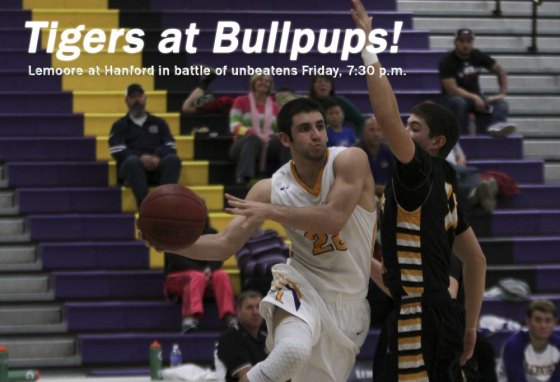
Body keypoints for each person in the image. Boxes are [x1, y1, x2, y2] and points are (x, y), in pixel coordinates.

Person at [140, 97, 377, 382]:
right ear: (285, 139)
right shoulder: (270, 188)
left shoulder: (351, 160)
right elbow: (224, 244)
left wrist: (270, 211)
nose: (316, 134)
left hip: (349, 301)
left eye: (320, 126)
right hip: (300, 284)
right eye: (305, 129)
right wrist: (171, 243)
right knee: (292, 350)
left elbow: (333, 218)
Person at [351, 1, 487, 381]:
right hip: (438, 314)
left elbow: (384, 115)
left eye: (414, 128)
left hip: (420, 318)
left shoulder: (419, 173)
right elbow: (477, 262)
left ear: (435, 142)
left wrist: (366, 44)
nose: (404, 133)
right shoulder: (446, 186)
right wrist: (471, 325)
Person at [163, 203, 236, 333]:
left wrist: (209, 268)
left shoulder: (211, 232)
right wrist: (203, 271)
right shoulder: (173, 235)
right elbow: (177, 261)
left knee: (221, 275)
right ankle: (190, 317)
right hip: (177, 278)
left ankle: (229, 316)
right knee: (196, 276)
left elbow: (219, 256)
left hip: (203, 277)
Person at [108, 84, 182, 207]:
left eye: (140, 96)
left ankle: (165, 203)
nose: (137, 100)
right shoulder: (119, 125)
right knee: (132, 162)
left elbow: (170, 145)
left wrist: (157, 158)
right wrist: (141, 158)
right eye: (133, 97)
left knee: (173, 160)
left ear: (145, 98)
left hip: (156, 167)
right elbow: (116, 150)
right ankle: (145, 206)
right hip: (133, 172)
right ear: (126, 101)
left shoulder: (159, 122)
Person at [439, 28, 516, 137]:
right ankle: (455, 132)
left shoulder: (477, 55)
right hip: (453, 98)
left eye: (469, 41)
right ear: (455, 42)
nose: (465, 45)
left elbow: (500, 71)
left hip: (476, 97)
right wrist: (475, 98)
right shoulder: (447, 61)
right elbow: (452, 89)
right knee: (458, 102)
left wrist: (501, 93)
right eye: (462, 41)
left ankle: (497, 126)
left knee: (501, 103)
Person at [229, 74, 289, 184]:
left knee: (284, 142)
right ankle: (244, 178)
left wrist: (277, 135)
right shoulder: (241, 101)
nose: (264, 83)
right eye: (260, 79)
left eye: (267, 81)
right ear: (253, 83)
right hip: (243, 144)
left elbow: (281, 128)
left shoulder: (275, 106)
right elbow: (235, 127)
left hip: (268, 144)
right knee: (253, 138)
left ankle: (288, 177)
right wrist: (255, 134)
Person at [498, 299, 560, 382]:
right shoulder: (513, 345)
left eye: (548, 321)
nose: (543, 326)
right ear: (528, 321)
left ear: (554, 322)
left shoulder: (558, 345)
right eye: (538, 320)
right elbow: (516, 379)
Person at [215, 290, 268, 382]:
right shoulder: (230, 338)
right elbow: (248, 378)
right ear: (238, 312)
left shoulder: (266, 337)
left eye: (258, 307)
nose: (255, 312)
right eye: (249, 307)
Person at [309, 75, 365, 139]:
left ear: (331, 86)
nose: (323, 84)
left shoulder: (340, 102)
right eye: (319, 81)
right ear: (313, 86)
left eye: (326, 82)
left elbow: (361, 121)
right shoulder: (307, 104)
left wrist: (358, 139)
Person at [356, 116, 395, 196]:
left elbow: (395, 178)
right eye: (371, 130)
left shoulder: (389, 151)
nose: (376, 134)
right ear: (364, 132)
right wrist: (378, 188)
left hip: (387, 196)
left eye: (379, 130)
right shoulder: (355, 152)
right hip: (362, 196)